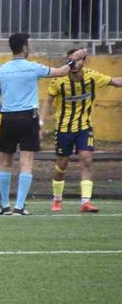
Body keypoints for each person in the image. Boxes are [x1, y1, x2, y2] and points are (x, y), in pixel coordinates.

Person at [0, 33, 87, 216]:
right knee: (26, 161)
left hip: (8, 118)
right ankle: (19, 206)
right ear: (25, 47)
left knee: (5, 161)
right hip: (28, 118)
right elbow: (60, 72)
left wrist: (6, 112)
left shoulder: (0, 70)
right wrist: (72, 60)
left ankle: (4, 206)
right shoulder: (33, 67)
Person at [39, 49, 122, 213]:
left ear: (85, 61)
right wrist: (40, 123)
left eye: (78, 61)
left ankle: (85, 202)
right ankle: (57, 199)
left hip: (84, 128)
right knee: (62, 165)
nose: (75, 64)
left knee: (87, 161)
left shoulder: (92, 76)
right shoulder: (59, 80)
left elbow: (116, 81)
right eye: (72, 60)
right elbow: (48, 100)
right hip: (64, 129)